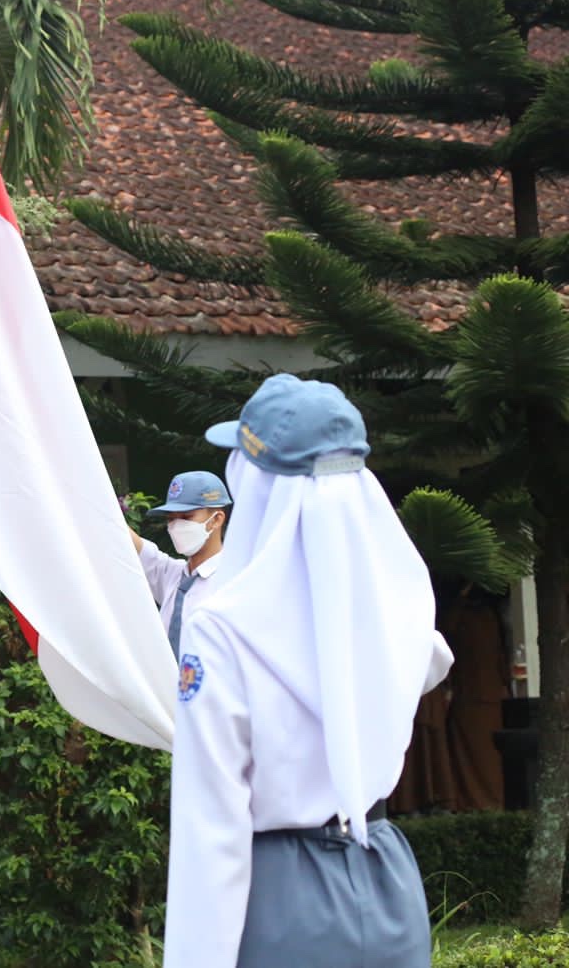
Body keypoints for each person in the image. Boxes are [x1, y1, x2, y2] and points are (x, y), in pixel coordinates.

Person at [165, 374, 455, 968]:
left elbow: (211, 830)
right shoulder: (397, 613)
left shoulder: (221, 628)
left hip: (279, 897)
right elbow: (434, 660)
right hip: (387, 882)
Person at [128, 470, 231, 657]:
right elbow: (122, 537)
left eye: (186, 517)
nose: (176, 526)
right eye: (171, 519)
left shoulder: (232, 583)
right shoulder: (172, 576)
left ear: (216, 519)